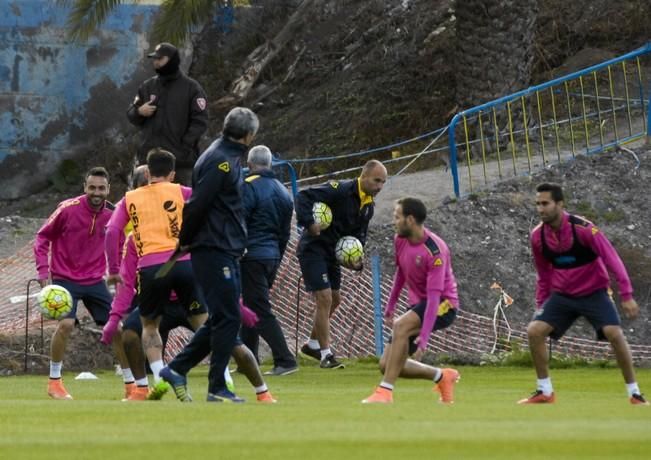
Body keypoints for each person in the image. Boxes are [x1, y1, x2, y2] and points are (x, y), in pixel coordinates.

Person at [159, 106, 276, 403]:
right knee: (226, 318)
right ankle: (216, 387)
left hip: (225, 247)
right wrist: (185, 241)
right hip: (214, 247)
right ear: (250, 135)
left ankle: (177, 368)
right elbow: (197, 205)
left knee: (224, 317)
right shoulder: (221, 161)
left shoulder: (222, 155)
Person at [518, 183, 648, 405]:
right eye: (538, 204)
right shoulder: (537, 236)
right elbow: (543, 274)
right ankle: (545, 391)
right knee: (534, 331)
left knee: (614, 334)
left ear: (560, 204)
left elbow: (612, 259)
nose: (540, 209)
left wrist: (626, 294)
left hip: (593, 293)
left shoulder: (585, 229)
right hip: (562, 296)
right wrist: (541, 304)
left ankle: (634, 393)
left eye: (545, 203)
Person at [104, 148, 200, 398]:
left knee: (146, 328)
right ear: (172, 174)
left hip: (160, 279)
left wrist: (112, 272)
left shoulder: (133, 205)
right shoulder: (184, 195)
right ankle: (147, 386)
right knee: (133, 332)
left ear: (147, 174)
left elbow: (111, 231)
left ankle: (164, 375)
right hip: (176, 281)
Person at [34, 167, 130, 400]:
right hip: (64, 278)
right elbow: (42, 237)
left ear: (108, 189)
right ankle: (54, 383)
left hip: (95, 280)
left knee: (117, 329)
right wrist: (43, 272)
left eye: (101, 188)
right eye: (92, 187)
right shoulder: (67, 209)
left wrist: (118, 272)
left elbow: (120, 244)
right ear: (84, 187)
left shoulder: (114, 214)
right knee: (66, 324)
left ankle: (131, 385)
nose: (96, 192)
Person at [362, 198, 460, 404]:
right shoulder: (400, 239)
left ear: (411, 219)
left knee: (401, 326)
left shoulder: (436, 251)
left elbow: (434, 297)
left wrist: (424, 339)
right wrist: (390, 306)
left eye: (397, 217)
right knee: (387, 364)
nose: (394, 221)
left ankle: (385, 392)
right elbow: (401, 273)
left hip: (443, 304)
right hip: (419, 304)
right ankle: (442, 376)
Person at [295, 159, 387, 369]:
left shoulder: (368, 208)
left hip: (332, 255)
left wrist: (355, 260)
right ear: (363, 177)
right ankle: (326, 355)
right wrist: (309, 223)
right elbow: (303, 196)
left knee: (335, 300)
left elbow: (357, 239)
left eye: (383, 182)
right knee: (324, 298)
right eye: (376, 180)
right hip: (313, 249)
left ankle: (311, 345)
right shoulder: (339, 189)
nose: (380, 186)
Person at [239, 145, 297, 376]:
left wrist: (236, 249)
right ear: (270, 163)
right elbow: (285, 233)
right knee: (250, 304)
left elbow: (239, 221)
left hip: (251, 254)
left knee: (258, 308)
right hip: (271, 254)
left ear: (250, 163)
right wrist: (277, 256)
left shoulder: (247, 187)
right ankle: (249, 359)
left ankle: (285, 359)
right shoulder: (283, 191)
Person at [127, 42, 208, 185]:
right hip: (149, 162)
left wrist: (184, 146)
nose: (156, 63)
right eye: (154, 59)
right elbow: (131, 114)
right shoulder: (147, 86)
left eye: (160, 59)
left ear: (172, 60)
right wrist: (140, 111)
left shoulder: (191, 88)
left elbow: (200, 121)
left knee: (181, 204)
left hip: (180, 164)